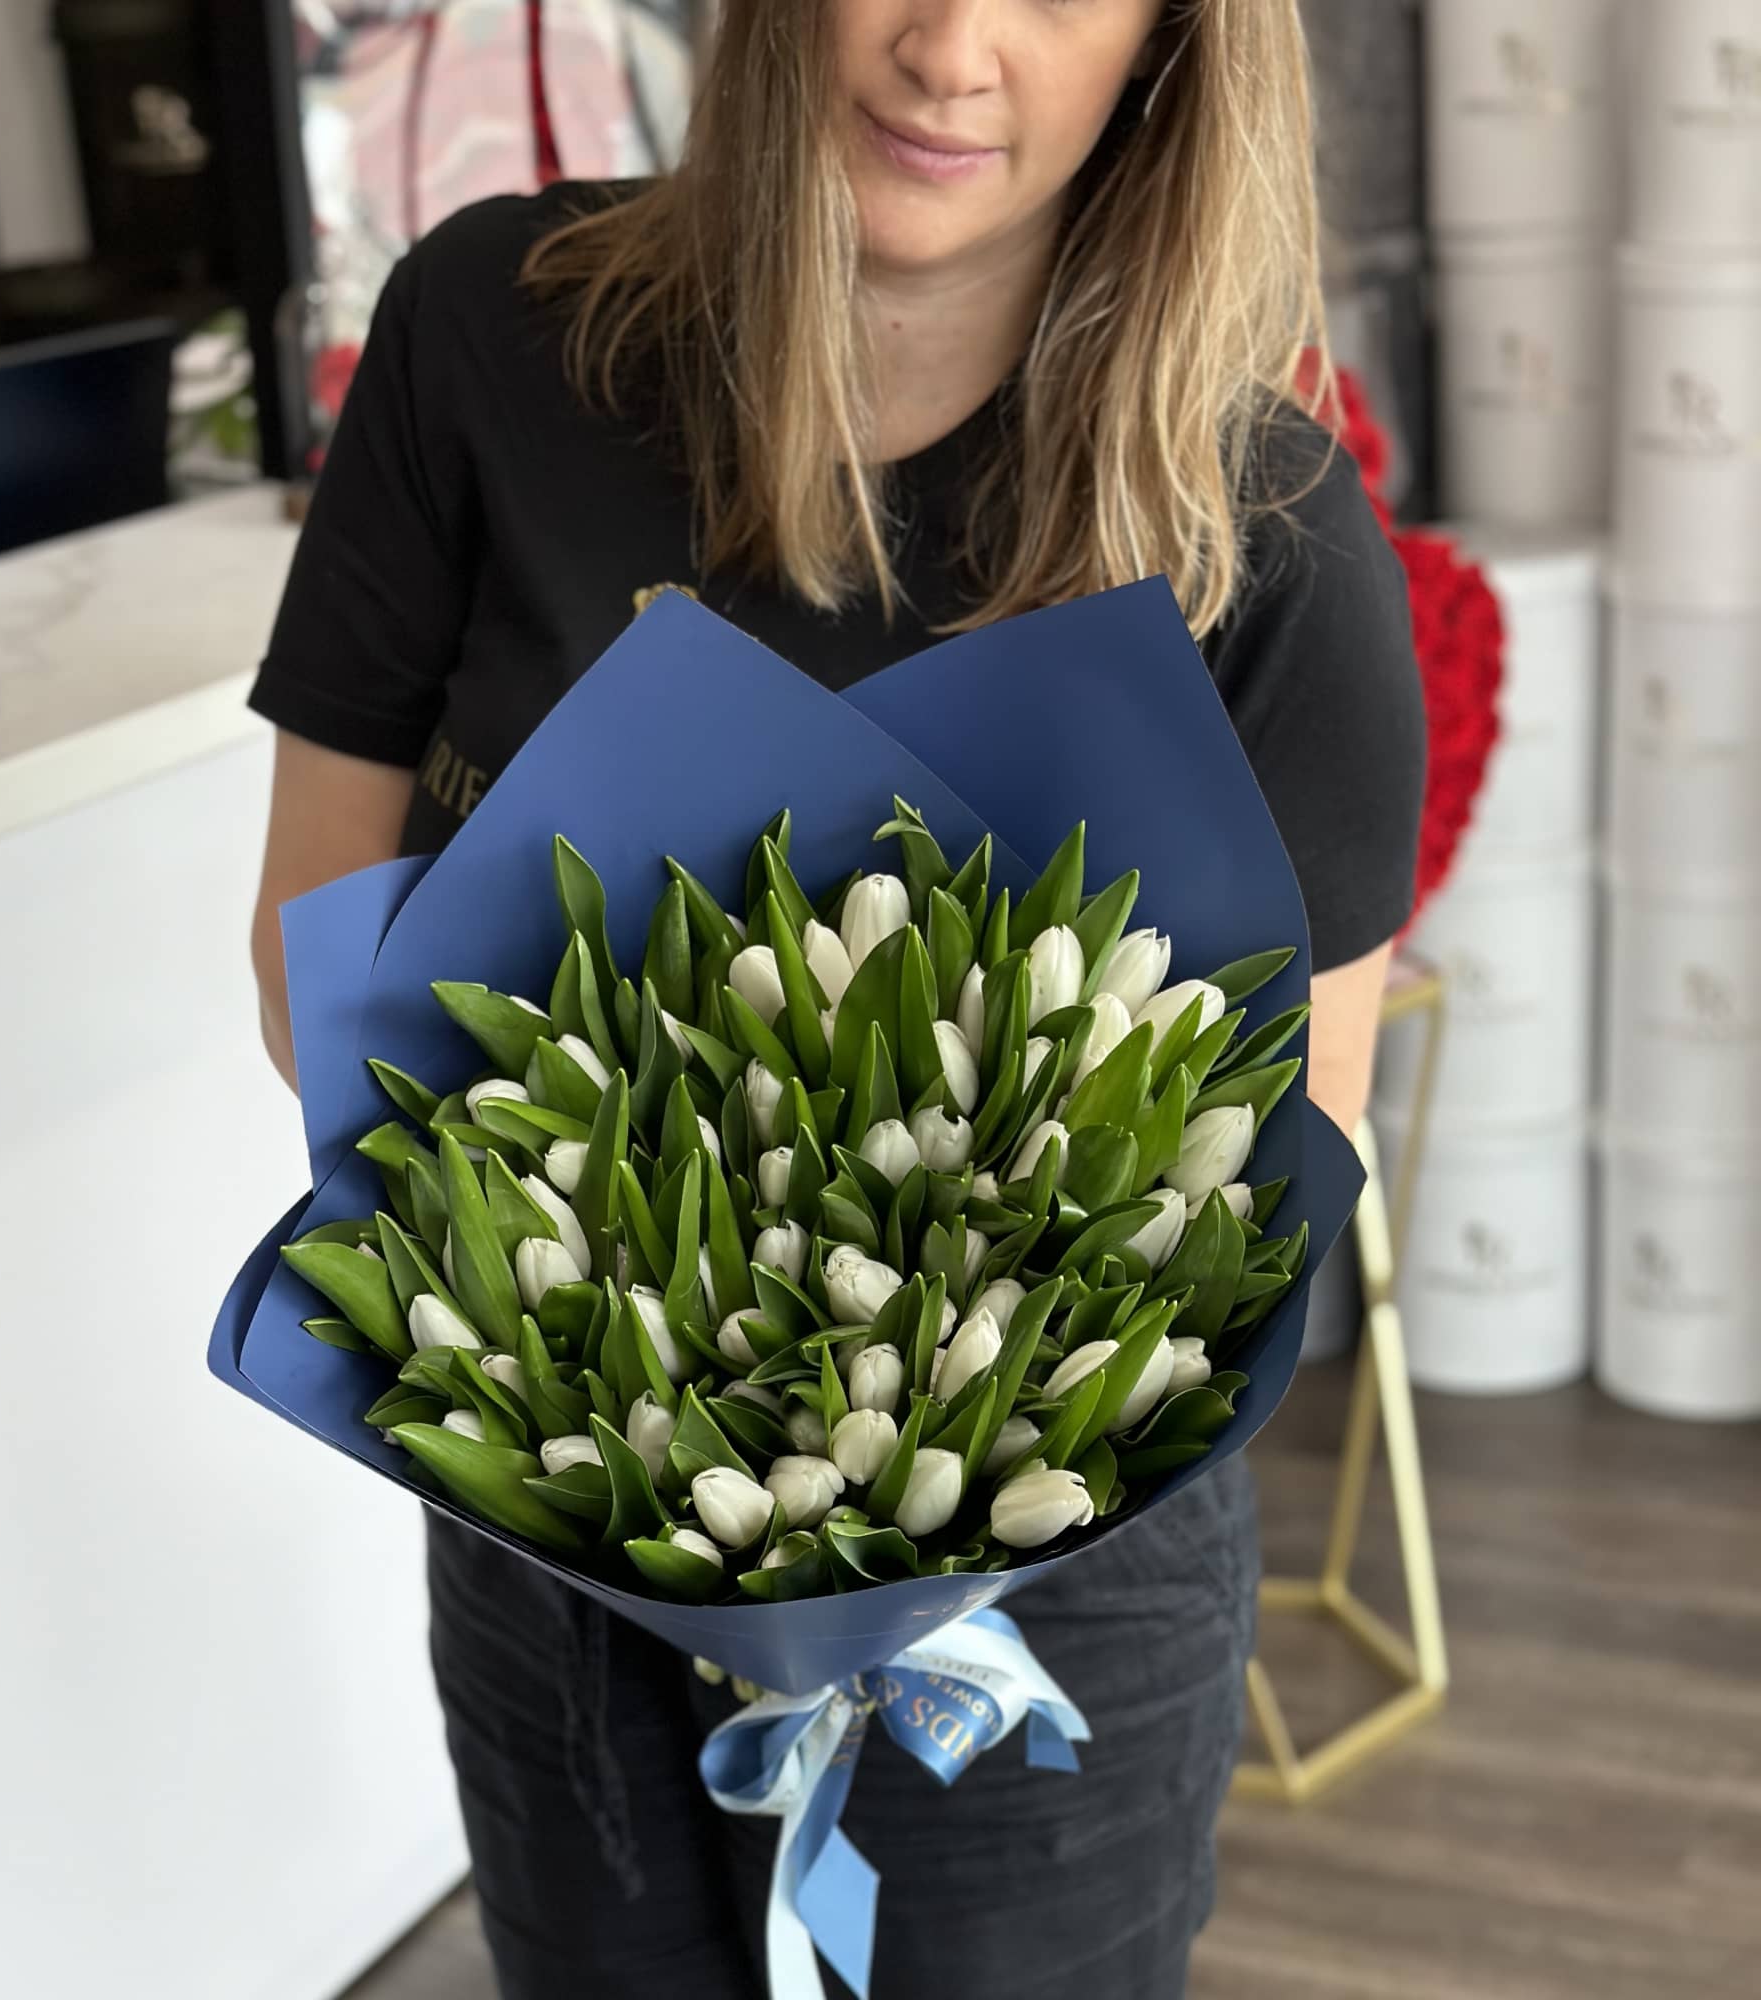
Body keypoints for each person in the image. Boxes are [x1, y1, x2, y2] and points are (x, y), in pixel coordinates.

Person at [247, 3, 1426, 1993]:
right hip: (549, 1524)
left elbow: (1260, 1193)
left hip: (1040, 1589)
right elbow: (316, 955)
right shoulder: (487, 342)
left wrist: (901, 1479)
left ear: (1168, 44)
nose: (952, 46)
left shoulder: (1265, 545)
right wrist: (625, 1365)